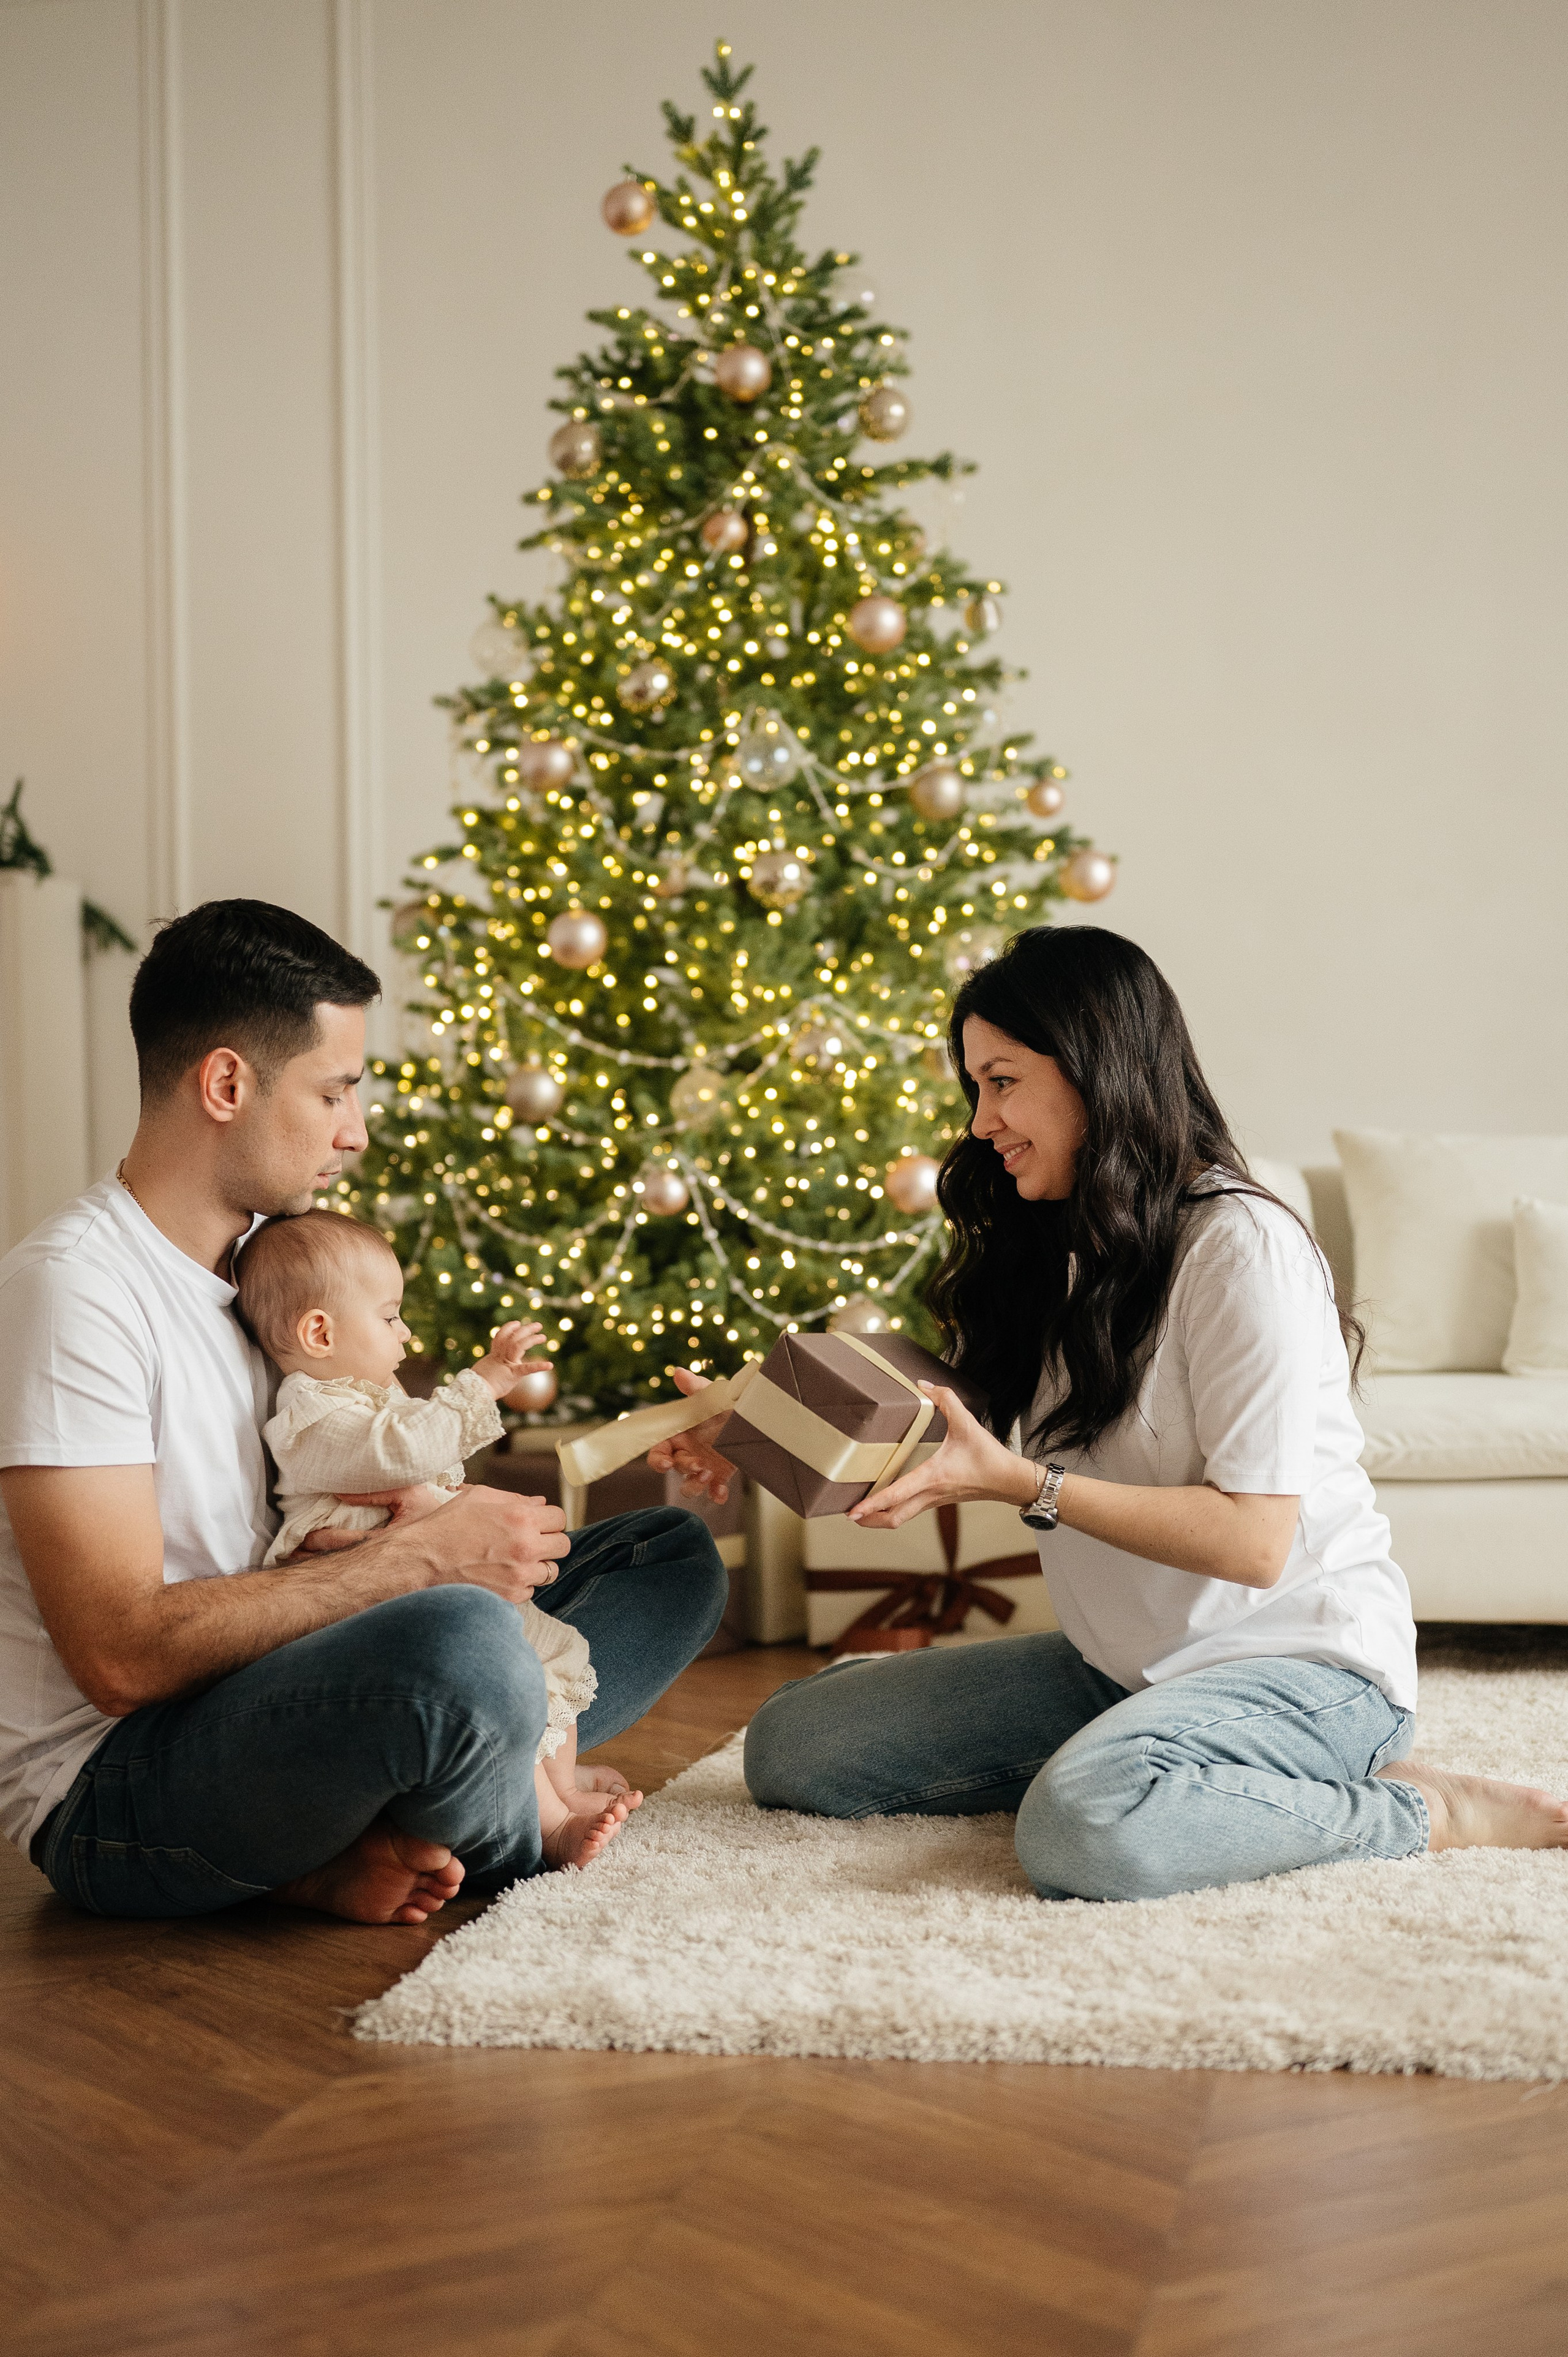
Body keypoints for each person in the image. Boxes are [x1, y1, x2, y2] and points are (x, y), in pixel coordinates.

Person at [662, 926, 1568, 1901]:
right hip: (1122, 1668)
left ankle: (1423, 1811)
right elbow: (955, 1424)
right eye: (975, 1088)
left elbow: (1255, 1541)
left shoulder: (1239, 1247)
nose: (980, 1122)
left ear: (1096, 1066)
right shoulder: (1070, 1244)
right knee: (798, 1748)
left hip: (1309, 1668)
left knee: (1087, 1830)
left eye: (1003, 1082)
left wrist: (1025, 1485)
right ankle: (1186, 1771)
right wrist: (757, 1425)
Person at [0, 899, 726, 1924]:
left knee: (669, 1555)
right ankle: (499, 1815)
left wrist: (438, 1530)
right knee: (466, 1645)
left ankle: (418, 1792)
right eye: (336, 1090)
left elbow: (365, 1468)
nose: (358, 1129)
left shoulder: (263, 1272)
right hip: (125, 1780)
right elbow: (119, 1658)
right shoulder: (75, 1289)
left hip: (294, 1674)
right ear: (225, 1083)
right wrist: (421, 1560)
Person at [236, 1209, 631, 1871]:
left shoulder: (363, 1393)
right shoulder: (312, 1413)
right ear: (318, 1332)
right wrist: (485, 1380)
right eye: (390, 1316)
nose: (406, 1332)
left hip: (451, 1576)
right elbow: (408, 1449)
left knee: (557, 1649)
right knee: (507, 1667)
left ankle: (560, 1782)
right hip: (389, 1605)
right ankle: (550, 1822)